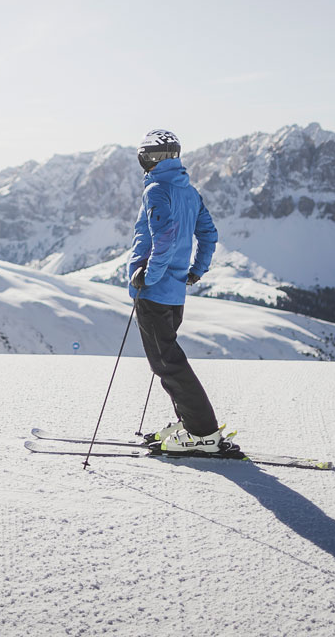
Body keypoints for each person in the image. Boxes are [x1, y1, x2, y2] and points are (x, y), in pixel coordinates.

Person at [126, 129, 229, 453]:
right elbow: (209, 235)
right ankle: (189, 423)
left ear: (150, 157)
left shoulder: (157, 189)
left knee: (168, 363)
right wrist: (196, 271)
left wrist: (148, 277)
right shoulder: (189, 191)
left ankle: (202, 433)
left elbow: (165, 238)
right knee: (167, 361)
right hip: (175, 294)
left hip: (155, 293)